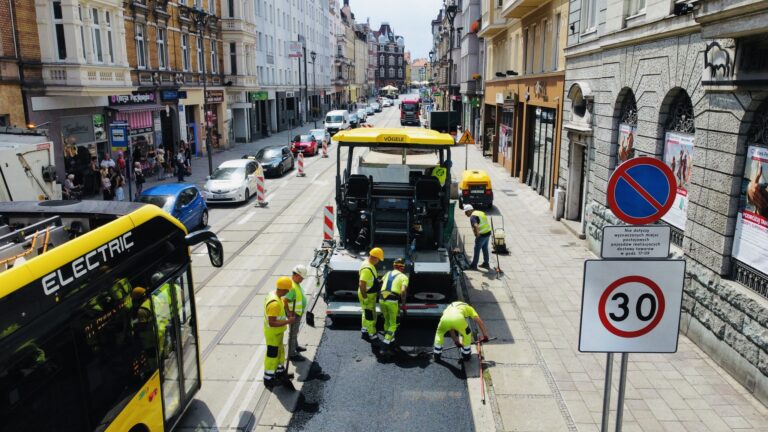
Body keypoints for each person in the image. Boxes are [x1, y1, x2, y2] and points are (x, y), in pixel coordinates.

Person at [263, 277, 296, 389]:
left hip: (278, 333)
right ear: (283, 289)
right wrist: (288, 321)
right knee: (272, 356)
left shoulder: (275, 295)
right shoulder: (274, 304)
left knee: (280, 352)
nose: (288, 292)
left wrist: (287, 310)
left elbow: (282, 303)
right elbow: (272, 322)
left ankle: (280, 373)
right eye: (288, 290)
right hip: (273, 334)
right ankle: (269, 379)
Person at [379, 258, 409, 351]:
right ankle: (386, 344)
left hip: (381, 299)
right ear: (402, 268)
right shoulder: (404, 277)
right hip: (392, 300)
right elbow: (403, 291)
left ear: (394, 266)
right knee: (393, 323)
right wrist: (403, 304)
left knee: (386, 321)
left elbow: (380, 283)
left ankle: (391, 340)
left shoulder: (387, 273)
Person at [359, 247, 383, 342]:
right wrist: (365, 297)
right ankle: (372, 335)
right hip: (367, 295)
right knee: (370, 316)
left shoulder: (368, 264)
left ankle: (364, 329)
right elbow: (362, 284)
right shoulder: (367, 269)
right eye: (378, 259)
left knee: (365, 313)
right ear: (374, 258)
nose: (378, 262)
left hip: (369, 294)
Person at [286, 264, 309, 361]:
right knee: (293, 333)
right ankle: (292, 354)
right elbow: (285, 301)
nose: (302, 280)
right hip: (294, 314)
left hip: (297, 313)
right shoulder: (291, 286)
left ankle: (296, 346)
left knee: (294, 332)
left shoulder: (296, 284)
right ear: (296, 275)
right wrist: (290, 313)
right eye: (301, 278)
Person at [463, 204, 491, 270]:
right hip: (488, 233)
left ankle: (474, 265)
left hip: (482, 235)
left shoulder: (473, 217)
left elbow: (476, 226)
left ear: (470, 210)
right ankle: (486, 263)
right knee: (485, 248)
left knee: (477, 249)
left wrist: (477, 235)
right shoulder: (479, 212)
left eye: (466, 212)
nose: (465, 214)